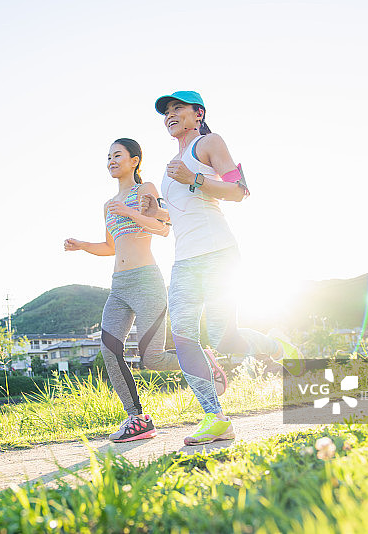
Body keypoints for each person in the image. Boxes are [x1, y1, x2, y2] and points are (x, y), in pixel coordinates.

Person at [143, 91, 304, 446]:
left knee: (223, 338)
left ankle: (276, 346)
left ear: (198, 113)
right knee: (183, 336)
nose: (170, 115)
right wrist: (155, 212)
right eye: (166, 111)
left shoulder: (209, 143)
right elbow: (180, 213)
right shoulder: (172, 164)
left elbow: (239, 190)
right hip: (184, 261)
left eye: (177, 108)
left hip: (218, 253)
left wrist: (195, 178)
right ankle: (215, 418)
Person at [64, 138, 225, 442]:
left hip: (146, 282)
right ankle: (137, 419)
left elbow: (163, 227)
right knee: (109, 350)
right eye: (108, 157)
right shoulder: (108, 205)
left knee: (153, 358)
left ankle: (203, 359)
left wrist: (129, 212)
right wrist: (82, 245)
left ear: (134, 160)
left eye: (117, 155)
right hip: (119, 286)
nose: (111, 161)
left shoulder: (145, 189)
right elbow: (111, 246)